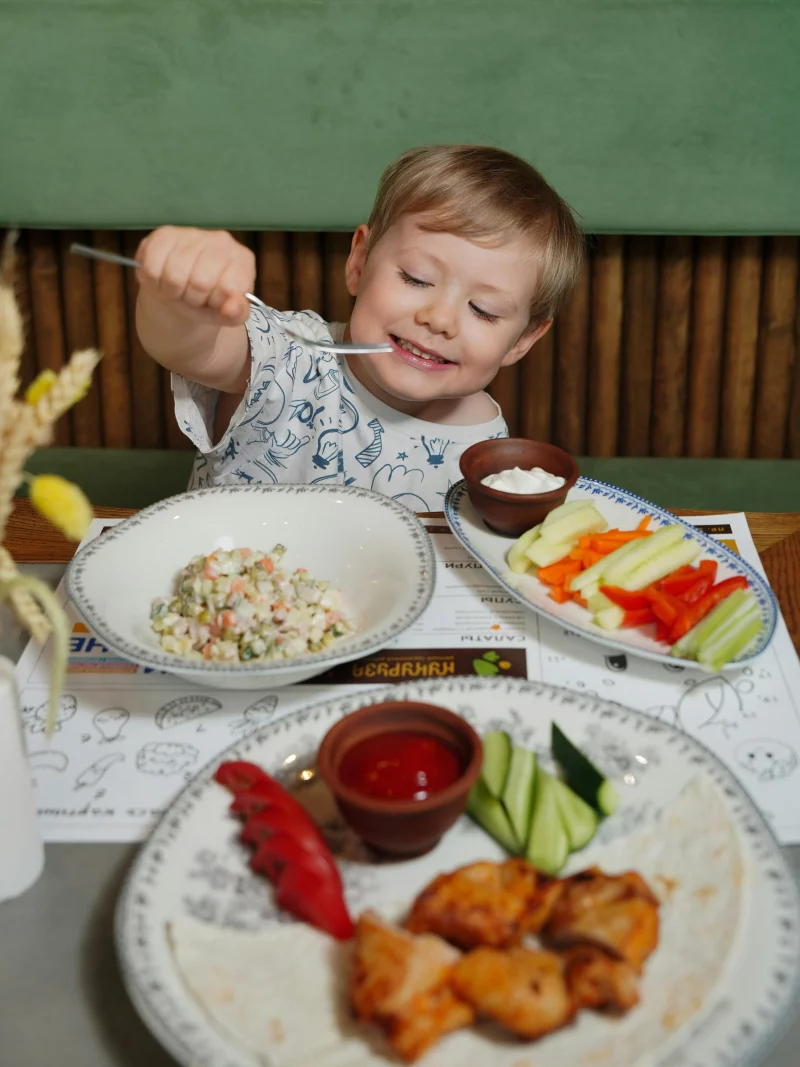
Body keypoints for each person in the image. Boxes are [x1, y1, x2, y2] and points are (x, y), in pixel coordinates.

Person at [135, 144, 584, 511]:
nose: (439, 319)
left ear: (523, 340)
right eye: (416, 278)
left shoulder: (489, 450)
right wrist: (180, 293)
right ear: (360, 261)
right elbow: (189, 347)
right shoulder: (287, 357)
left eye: (483, 310)